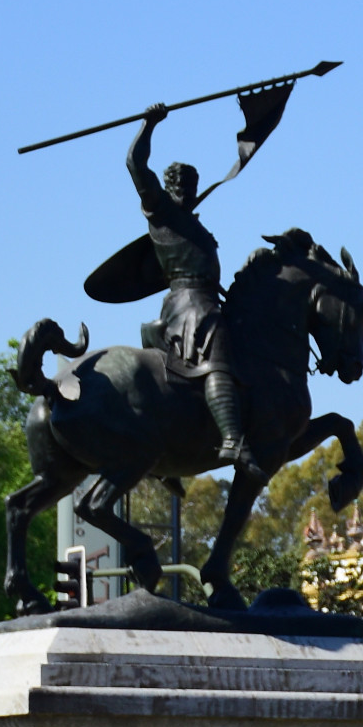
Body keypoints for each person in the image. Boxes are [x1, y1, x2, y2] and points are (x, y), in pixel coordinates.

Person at [126, 104, 256, 475]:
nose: (185, 190)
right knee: (216, 343)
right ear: (166, 188)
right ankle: (232, 437)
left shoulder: (191, 223)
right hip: (189, 306)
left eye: (190, 185)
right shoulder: (162, 214)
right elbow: (135, 165)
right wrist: (148, 125)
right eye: (178, 185)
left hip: (208, 297)